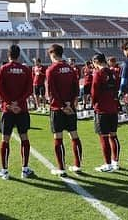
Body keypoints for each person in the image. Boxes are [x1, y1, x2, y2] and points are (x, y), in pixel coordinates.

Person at [0, 45, 35, 180]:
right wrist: (18, 102)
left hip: (7, 110)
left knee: (5, 139)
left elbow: (0, 91)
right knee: (24, 137)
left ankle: (5, 171)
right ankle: (25, 169)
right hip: (22, 109)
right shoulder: (26, 70)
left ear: (8, 55)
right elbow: (29, 90)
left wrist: (10, 103)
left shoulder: (3, 69)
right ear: (19, 55)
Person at [46, 44, 82, 176]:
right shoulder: (70, 69)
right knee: (74, 134)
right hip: (70, 107)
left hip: (57, 108)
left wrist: (62, 106)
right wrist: (70, 104)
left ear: (52, 54)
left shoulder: (51, 69)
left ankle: (61, 168)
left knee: (58, 136)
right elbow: (76, 88)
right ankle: (77, 165)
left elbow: (52, 91)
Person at [91, 54, 121, 172]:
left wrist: (94, 104)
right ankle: (115, 162)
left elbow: (94, 92)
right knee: (113, 135)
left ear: (96, 62)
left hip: (102, 109)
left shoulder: (98, 74)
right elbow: (117, 88)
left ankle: (108, 164)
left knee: (104, 137)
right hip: (113, 107)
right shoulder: (114, 72)